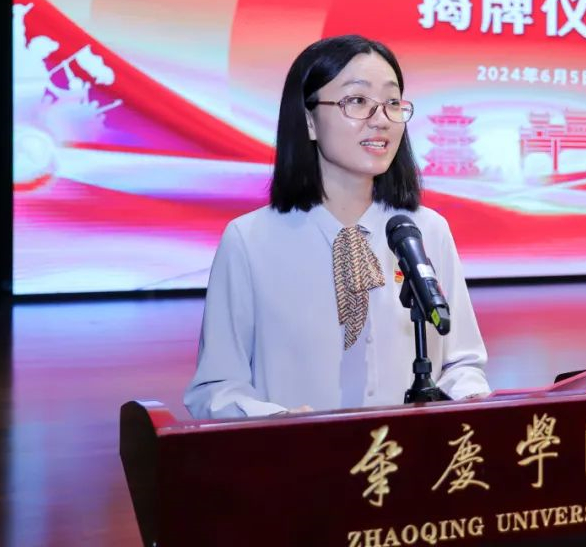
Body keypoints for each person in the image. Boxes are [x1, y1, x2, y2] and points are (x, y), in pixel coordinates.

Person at [184, 35, 489, 418]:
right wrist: (279, 421)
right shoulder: (249, 240)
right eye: (357, 101)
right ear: (309, 120)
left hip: (404, 452)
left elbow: (462, 363)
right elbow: (216, 389)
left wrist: (468, 398)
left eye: (392, 102)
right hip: (301, 453)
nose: (381, 119)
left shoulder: (426, 230)